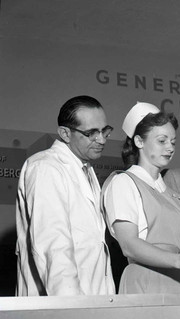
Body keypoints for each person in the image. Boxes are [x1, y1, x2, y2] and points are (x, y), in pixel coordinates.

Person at [102, 102, 180, 294]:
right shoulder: (123, 182)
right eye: (162, 141)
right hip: (143, 283)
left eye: (173, 142)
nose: (170, 148)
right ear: (139, 141)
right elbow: (129, 245)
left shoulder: (178, 198)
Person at [16, 95, 115, 296]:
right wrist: (71, 305)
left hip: (92, 300)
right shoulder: (46, 167)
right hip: (64, 303)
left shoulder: (84, 168)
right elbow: (53, 246)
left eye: (105, 131)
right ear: (65, 133)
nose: (102, 140)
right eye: (91, 133)